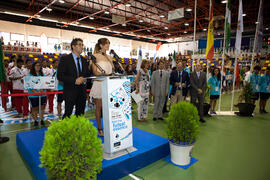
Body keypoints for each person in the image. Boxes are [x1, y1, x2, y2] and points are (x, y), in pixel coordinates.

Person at [57, 38, 91, 119]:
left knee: (80, 114)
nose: (82, 47)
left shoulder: (84, 60)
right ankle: (65, 131)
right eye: (80, 44)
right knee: (67, 114)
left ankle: (78, 130)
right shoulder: (65, 59)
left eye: (82, 45)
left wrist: (84, 78)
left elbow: (87, 74)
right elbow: (60, 76)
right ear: (73, 46)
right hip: (70, 91)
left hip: (82, 91)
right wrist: (74, 80)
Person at [90, 38, 114, 136]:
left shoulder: (110, 57)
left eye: (108, 43)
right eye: (106, 43)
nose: (108, 45)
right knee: (99, 108)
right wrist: (104, 75)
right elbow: (95, 72)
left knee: (108, 108)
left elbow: (112, 71)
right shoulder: (95, 56)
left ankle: (108, 127)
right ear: (101, 45)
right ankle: (100, 128)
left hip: (109, 84)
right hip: (99, 84)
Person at [27, 62, 47, 126]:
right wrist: (35, 92)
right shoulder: (30, 75)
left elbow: (46, 83)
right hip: (33, 95)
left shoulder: (43, 75)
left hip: (42, 94)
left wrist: (42, 89)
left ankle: (41, 120)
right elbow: (29, 85)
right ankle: (35, 120)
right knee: (34, 108)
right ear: (33, 66)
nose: (38, 66)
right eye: (36, 65)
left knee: (42, 108)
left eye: (39, 65)